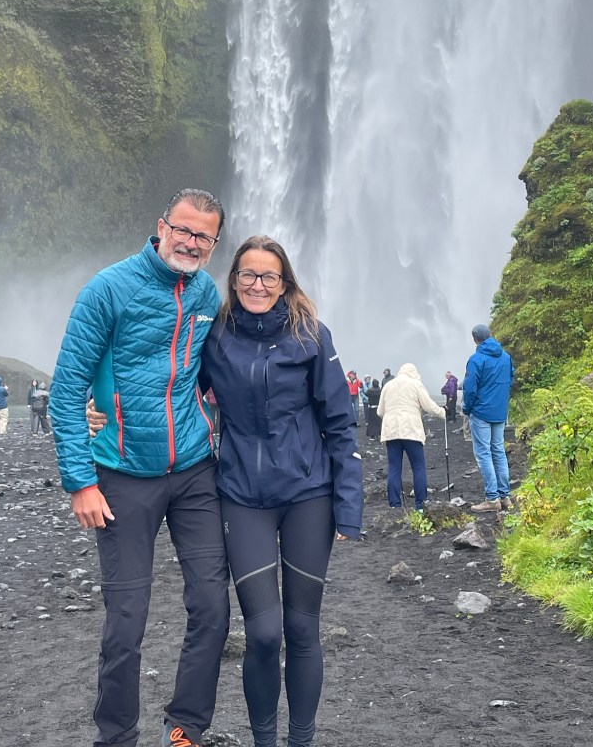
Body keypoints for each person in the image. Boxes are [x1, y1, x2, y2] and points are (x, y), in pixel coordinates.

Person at [50, 188, 229, 747]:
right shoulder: (107, 288)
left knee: (213, 606)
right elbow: (66, 391)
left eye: (203, 236)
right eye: (183, 229)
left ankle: (186, 728)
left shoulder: (207, 293)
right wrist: (80, 482)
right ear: (161, 226)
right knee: (125, 620)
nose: (191, 242)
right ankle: (116, 736)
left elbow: (211, 372)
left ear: (214, 243)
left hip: (195, 471)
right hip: (122, 475)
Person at [198, 234, 363, 747]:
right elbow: (174, 390)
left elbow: (340, 423)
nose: (258, 284)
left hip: (308, 495)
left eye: (269, 276)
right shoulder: (215, 337)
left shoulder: (311, 335)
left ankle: (301, 741)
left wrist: (349, 505)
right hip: (242, 495)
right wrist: (104, 408)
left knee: (303, 628)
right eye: (248, 274)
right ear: (233, 280)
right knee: (264, 633)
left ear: (285, 282)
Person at [378, 363, 446, 510]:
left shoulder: (388, 385)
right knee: (418, 467)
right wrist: (443, 413)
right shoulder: (416, 384)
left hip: (391, 432)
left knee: (394, 468)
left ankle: (395, 505)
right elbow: (429, 406)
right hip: (411, 430)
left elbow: (380, 411)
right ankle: (420, 504)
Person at [463, 324, 514, 512]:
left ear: (475, 339)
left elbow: (470, 388)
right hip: (500, 412)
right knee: (498, 451)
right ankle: (504, 496)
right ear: (490, 335)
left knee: (484, 453)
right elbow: (510, 380)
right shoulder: (506, 357)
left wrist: (467, 409)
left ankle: (492, 499)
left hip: (481, 413)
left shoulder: (476, 359)